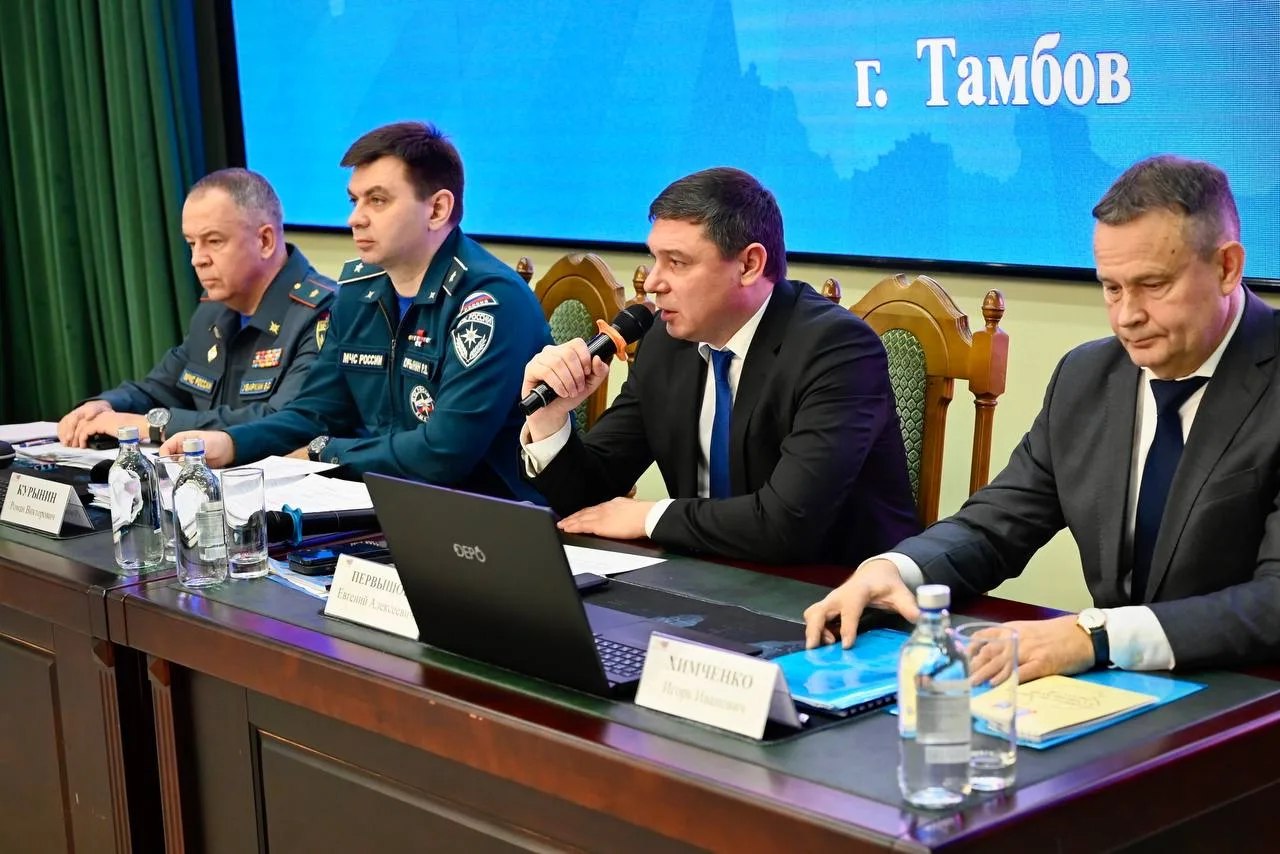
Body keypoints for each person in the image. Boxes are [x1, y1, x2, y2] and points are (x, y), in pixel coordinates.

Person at [803, 154, 1280, 677]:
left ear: (1227, 268)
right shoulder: (1087, 376)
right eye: (1112, 288)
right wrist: (895, 570)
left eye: (1154, 284)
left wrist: (1097, 636)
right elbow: (997, 524)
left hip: (1249, 688)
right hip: (1121, 686)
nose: (1127, 316)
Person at [519, 166, 920, 564]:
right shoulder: (665, 342)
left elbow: (787, 523)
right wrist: (550, 418)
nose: (653, 283)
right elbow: (588, 500)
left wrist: (648, 516)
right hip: (702, 576)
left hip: (831, 586)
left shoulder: (837, 349)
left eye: (677, 262)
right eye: (655, 259)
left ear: (749, 265)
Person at [163, 122, 551, 500]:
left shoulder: (489, 300)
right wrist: (231, 442)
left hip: (485, 513)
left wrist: (325, 453)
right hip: (385, 500)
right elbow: (316, 413)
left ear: (437, 209)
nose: (355, 218)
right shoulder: (358, 292)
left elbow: (444, 451)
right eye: (355, 200)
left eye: (377, 200)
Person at [57, 169, 334, 447]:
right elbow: (160, 389)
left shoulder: (322, 312)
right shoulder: (214, 309)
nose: (197, 259)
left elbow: (284, 422)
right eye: (191, 243)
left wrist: (151, 426)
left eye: (214, 241)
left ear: (265, 241)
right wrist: (105, 405)